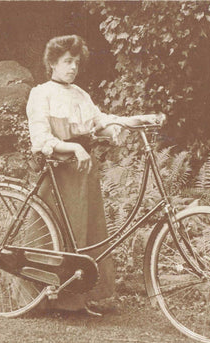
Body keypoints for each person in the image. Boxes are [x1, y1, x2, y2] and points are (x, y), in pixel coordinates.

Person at [26, 34, 163, 313]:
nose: (72, 67)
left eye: (76, 62)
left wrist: (138, 120)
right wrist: (74, 147)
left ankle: (74, 299)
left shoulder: (80, 95)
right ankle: (40, 299)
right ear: (52, 63)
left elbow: (101, 120)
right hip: (59, 174)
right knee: (54, 234)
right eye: (66, 61)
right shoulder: (41, 93)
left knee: (86, 233)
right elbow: (40, 138)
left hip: (84, 175)